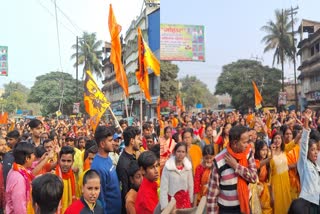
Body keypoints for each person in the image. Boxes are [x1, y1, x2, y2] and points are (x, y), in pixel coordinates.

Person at [207, 125, 258, 214]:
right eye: (244, 142)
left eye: (248, 142)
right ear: (234, 143)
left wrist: (236, 166)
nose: (247, 145)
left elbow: (254, 178)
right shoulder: (219, 160)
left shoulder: (248, 153)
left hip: (245, 205)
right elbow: (212, 194)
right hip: (227, 210)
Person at [288, 109, 320, 214]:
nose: (315, 152)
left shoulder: (317, 166)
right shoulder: (304, 164)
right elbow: (304, 144)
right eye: (312, 150)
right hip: (307, 204)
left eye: (316, 150)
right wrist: (306, 121)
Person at [91, 126, 121, 214]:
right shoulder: (98, 167)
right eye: (110, 140)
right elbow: (100, 198)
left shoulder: (108, 157)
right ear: (102, 144)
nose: (113, 143)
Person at [160, 142, 193, 210]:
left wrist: (191, 200)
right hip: (172, 202)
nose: (180, 154)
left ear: (186, 153)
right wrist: (165, 207)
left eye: (183, 152)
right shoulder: (168, 167)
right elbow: (164, 188)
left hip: (185, 202)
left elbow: (190, 185)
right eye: (178, 151)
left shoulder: (188, 167)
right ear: (174, 152)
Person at [6, 142, 35, 213]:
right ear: (27, 158)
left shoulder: (16, 170)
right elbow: (19, 208)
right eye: (33, 154)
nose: (34, 157)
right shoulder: (19, 179)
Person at [116, 126, 141, 214]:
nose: (140, 142)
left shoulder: (133, 157)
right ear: (132, 141)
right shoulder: (124, 164)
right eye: (138, 139)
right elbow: (125, 193)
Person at [55, 146, 77, 214]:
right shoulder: (54, 177)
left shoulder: (72, 175)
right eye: (63, 160)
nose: (66, 164)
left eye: (69, 161)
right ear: (59, 160)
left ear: (73, 161)